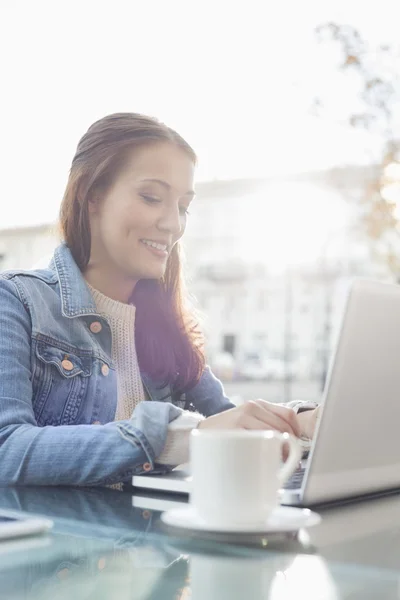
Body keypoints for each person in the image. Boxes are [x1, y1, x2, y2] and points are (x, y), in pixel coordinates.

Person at [0, 113, 319, 487]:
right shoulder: (18, 301)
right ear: (92, 196)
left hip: (160, 543)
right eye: (152, 197)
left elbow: (230, 421)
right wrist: (180, 438)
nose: (173, 224)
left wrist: (304, 422)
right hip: (63, 545)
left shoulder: (166, 326)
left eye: (183, 207)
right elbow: (7, 450)